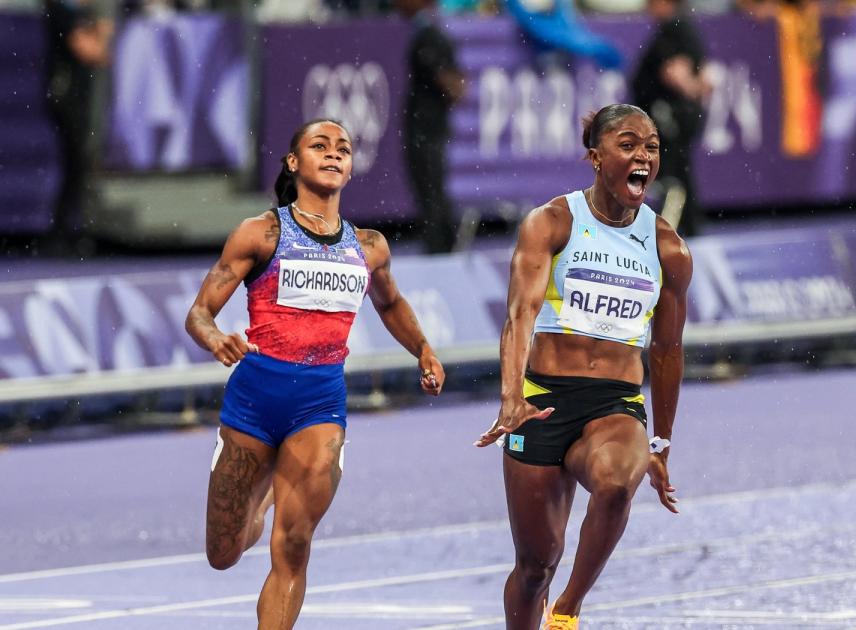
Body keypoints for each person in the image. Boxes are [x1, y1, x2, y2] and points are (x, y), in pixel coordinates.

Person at [184, 119, 446, 629]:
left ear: (350, 167)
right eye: (319, 146)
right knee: (224, 551)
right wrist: (216, 338)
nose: (333, 154)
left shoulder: (368, 246)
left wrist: (423, 349)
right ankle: (260, 497)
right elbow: (199, 312)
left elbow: (390, 304)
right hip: (254, 401)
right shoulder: (260, 233)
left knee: (295, 545)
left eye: (342, 148)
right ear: (293, 162)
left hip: (320, 405)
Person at [474, 104, 692, 630]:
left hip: (614, 404)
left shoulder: (668, 249)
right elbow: (520, 313)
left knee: (619, 480)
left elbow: (666, 351)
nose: (643, 156)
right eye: (628, 144)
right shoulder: (552, 223)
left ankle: (567, 609)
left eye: (652, 146)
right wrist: (511, 396)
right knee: (534, 565)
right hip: (541, 400)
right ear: (596, 157)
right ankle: (542, 601)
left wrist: (660, 442)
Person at [631, 0, 708, 237]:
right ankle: (689, 225)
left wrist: (685, 95)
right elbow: (707, 75)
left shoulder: (674, 29)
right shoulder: (683, 28)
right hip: (678, 112)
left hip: (671, 114)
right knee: (680, 169)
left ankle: (668, 231)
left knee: (671, 173)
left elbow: (677, 73)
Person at [43, 0, 112, 255]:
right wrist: (104, 32)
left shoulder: (76, 12)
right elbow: (91, 52)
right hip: (68, 98)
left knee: (77, 168)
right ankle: (65, 234)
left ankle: (69, 233)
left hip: (74, 98)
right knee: (76, 165)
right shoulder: (61, 10)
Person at [398, 0, 465, 254]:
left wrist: (448, 90)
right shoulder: (435, 33)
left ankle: (440, 249)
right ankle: (444, 246)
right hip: (431, 127)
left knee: (430, 191)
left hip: (425, 129)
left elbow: (453, 84)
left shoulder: (428, 36)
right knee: (433, 190)